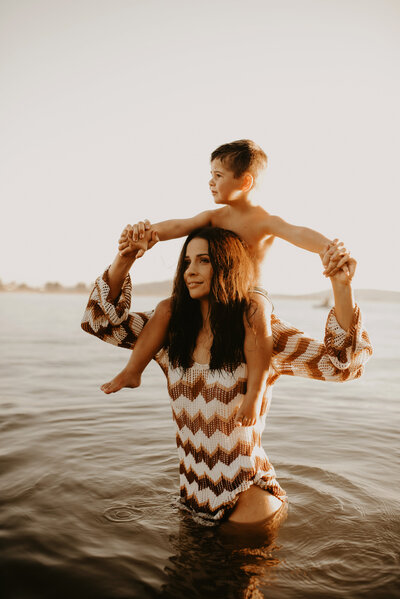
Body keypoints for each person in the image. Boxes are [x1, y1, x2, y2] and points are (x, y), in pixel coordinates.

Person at [81, 226, 372, 525]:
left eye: (204, 260)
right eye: (187, 262)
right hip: (192, 498)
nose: (190, 271)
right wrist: (125, 258)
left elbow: (341, 366)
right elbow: (99, 323)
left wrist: (341, 286)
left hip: (248, 502)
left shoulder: (261, 332)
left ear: (227, 265)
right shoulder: (170, 332)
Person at [101, 140, 348, 430]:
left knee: (256, 310)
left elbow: (298, 233)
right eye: (211, 174)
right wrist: (146, 233)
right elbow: (177, 226)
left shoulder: (265, 221)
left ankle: (254, 394)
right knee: (166, 307)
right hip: (216, 295)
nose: (210, 182)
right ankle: (133, 370)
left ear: (245, 181)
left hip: (250, 294)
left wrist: (329, 249)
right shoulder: (213, 217)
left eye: (218, 175)